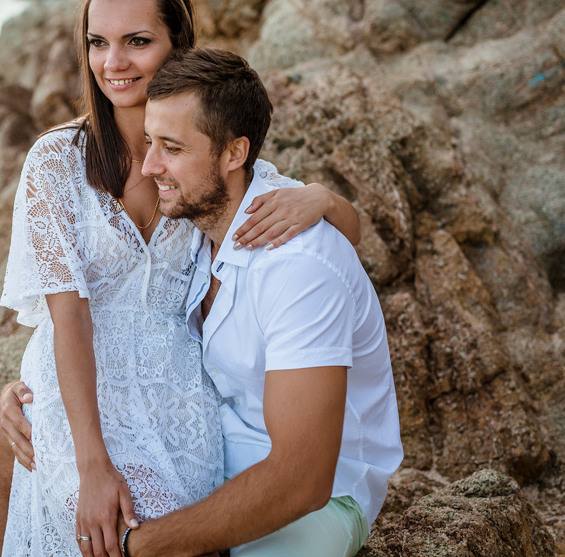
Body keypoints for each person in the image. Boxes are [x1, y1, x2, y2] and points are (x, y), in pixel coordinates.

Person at [0, 0, 362, 557]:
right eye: (98, 42)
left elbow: (346, 235)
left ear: (178, 46)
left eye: (137, 42)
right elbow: (70, 317)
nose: (113, 63)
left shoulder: (202, 158)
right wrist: (92, 463)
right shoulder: (56, 162)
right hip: (82, 392)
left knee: (163, 533)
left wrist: (322, 199)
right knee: (91, 525)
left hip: (181, 397)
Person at [103, 46, 401, 556]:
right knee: (12, 447)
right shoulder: (191, 222)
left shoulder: (297, 266)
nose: (150, 166)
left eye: (171, 148)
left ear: (234, 154)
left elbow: (302, 480)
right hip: (207, 447)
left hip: (322, 496)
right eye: (150, 142)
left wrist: (142, 547)